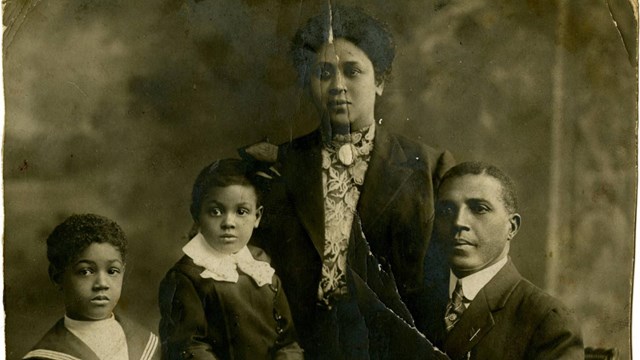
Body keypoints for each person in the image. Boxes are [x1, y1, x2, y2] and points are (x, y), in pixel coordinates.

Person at [240, 5, 454, 359]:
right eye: (324, 72)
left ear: (380, 81)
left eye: (352, 71)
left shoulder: (431, 169)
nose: (338, 86)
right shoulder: (273, 166)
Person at [424, 161, 584, 359]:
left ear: (512, 227)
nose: (459, 222)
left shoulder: (547, 321)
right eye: (447, 210)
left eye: (479, 209)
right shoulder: (411, 303)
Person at [158, 159, 304, 360]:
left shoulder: (262, 267)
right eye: (215, 211)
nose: (228, 222)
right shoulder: (187, 277)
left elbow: (287, 342)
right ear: (196, 215)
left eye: (241, 212)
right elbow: (191, 348)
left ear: (257, 217)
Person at [24, 214, 160, 360]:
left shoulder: (147, 344)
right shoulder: (44, 356)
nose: (101, 284)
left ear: (123, 272)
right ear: (57, 277)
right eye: (85, 272)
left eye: (112, 271)